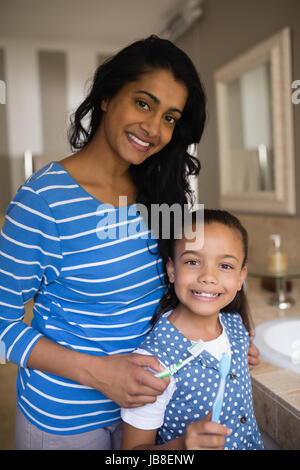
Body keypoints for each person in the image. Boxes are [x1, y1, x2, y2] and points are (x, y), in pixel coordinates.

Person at [0, 35, 259, 450]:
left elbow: (178, 290)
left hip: (151, 413)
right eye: (143, 103)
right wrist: (100, 373)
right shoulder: (43, 202)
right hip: (67, 421)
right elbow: (3, 325)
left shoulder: (159, 194)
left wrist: (221, 341)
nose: (154, 128)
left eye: (171, 118)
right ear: (106, 96)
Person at [121, 209, 264, 450]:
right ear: (172, 269)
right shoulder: (154, 364)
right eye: (192, 261)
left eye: (225, 266)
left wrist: (243, 352)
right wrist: (183, 446)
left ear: (241, 277)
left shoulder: (236, 327)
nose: (208, 276)